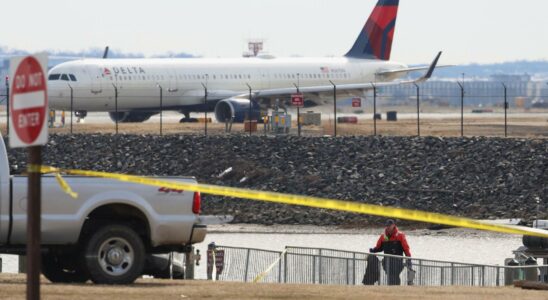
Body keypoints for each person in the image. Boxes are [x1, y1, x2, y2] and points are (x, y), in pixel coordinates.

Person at [369, 219, 412, 285]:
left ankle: (396, 290)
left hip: (397, 261)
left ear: (393, 225)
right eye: (387, 226)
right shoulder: (383, 236)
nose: (388, 227)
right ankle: (392, 290)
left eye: (389, 226)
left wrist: (408, 258)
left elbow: (406, 248)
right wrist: (373, 250)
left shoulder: (400, 235)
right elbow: (379, 247)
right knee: (390, 276)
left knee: (395, 277)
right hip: (387, 262)